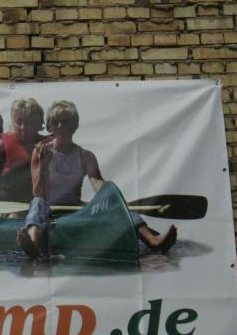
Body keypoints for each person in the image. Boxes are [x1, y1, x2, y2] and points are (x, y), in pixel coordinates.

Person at [17, 100, 177, 260]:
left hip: (75, 208)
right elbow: (38, 192)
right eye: (56, 122)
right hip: (47, 206)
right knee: (38, 202)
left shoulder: (86, 156)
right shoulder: (41, 152)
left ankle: (153, 240)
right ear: (50, 126)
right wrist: (44, 166)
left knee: (115, 203)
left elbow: (98, 185)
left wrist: (113, 201)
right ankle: (33, 244)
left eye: (66, 122)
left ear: (74, 126)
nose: (60, 126)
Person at [0, 98, 46, 203]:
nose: (23, 127)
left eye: (29, 123)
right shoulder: (1, 146)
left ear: (38, 123)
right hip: (8, 208)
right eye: (19, 122)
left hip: (41, 207)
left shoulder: (48, 145)